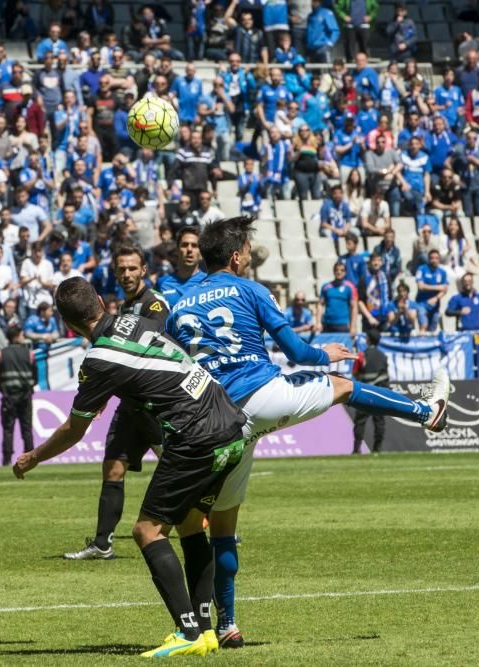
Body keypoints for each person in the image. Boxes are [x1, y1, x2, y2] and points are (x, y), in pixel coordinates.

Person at [166, 217, 450, 648]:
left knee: (220, 524)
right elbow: (297, 352)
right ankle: (426, 411)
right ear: (238, 256)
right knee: (345, 386)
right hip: (260, 394)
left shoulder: (179, 305)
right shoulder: (251, 290)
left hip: (212, 419)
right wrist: (324, 354)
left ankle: (225, 625)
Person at [14, 277, 248, 658]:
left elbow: (75, 429)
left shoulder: (97, 360)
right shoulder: (137, 320)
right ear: (102, 304)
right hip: (230, 423)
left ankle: (186, 631)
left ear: (67, 324)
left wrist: (34, 456)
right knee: (190, 524)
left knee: (147, 531)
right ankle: (206, 631)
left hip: (196, 436)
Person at [63, 245, 171, 560]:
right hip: (130, 406)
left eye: (132, 268)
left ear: (144, 271)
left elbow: (148, 354)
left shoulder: (154, 305)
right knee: (112, 468)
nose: (126, 274)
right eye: (121, 269)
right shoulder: (124, 309)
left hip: (154, 404)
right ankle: (102, 543)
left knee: (178, 465)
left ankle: (219, 522)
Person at [0, 324, 36, 466]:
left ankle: (7, 461)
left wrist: (6, 391)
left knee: (8, 430)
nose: (23, 337)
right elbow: (35, 377)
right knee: (27, 429)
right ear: (17, 336)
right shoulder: (29, 354)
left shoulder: (1, 353)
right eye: (22, 335)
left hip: (8, 398)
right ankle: (30, 459)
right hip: (25, 397)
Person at [348, 328, 389, 454]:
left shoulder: (361, 355)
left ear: (368, 340)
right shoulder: (383, 356)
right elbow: (386, 376)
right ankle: (377, 449)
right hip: (380, 393)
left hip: (365, 394)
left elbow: (355, 372)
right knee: (379, 421)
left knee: (360, 421)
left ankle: (356, 449)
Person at [155, 226, 205, 307]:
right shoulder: (162, 283)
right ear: (177, 250)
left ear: (201, 253)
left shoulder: (208, 282)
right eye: (185, 245)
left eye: (194, 245)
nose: (189, 249)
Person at [317, 262, 358, 336]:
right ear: (333, 271)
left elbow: (354, 307)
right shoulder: (326, 287)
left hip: (343, 324)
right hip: (327, 323)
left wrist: (353, 326)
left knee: (342, 347)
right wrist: (318, 322)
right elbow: (320, 304)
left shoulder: (350, 287)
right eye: (337, 270)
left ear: (345, 272)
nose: (339, 272)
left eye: (342, 270)